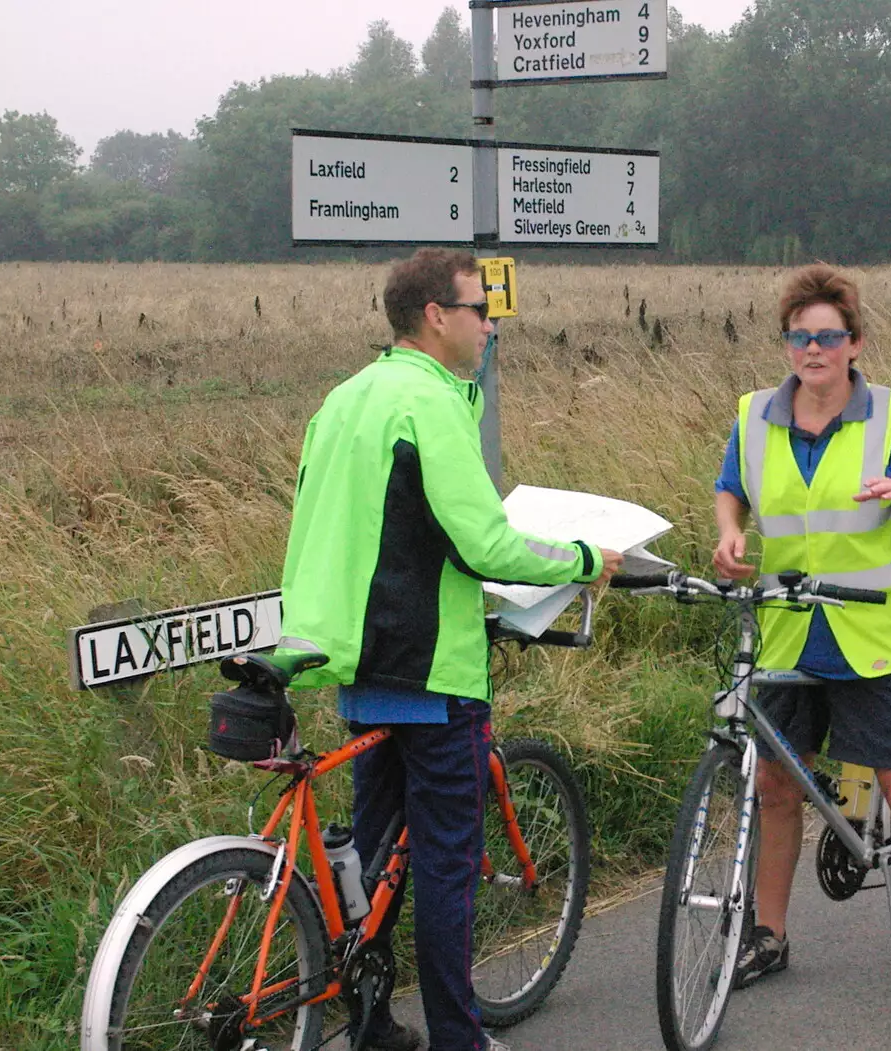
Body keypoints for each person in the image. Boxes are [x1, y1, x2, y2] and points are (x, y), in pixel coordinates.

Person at [273, 248, 622, 1051]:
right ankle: (461, 1041)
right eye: (480, 311)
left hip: (351, 657)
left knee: (372, 866)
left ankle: (371, 1025)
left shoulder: (345, 398)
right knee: (445, 871)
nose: (490, 326)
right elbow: (484, 542)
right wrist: (579, 557)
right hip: (430, 665)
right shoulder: (430, 402)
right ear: (437, 315)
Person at [710, 263, 891, 1028]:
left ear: (854, 343)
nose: (813, 348)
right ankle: (768, 934)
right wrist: (730, 532)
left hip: (877, 636)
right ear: (788, 343)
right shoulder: (755, 415)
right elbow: (731, 487)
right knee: (775, 789)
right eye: (800, 336)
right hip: (788, 632)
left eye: (828, 336)